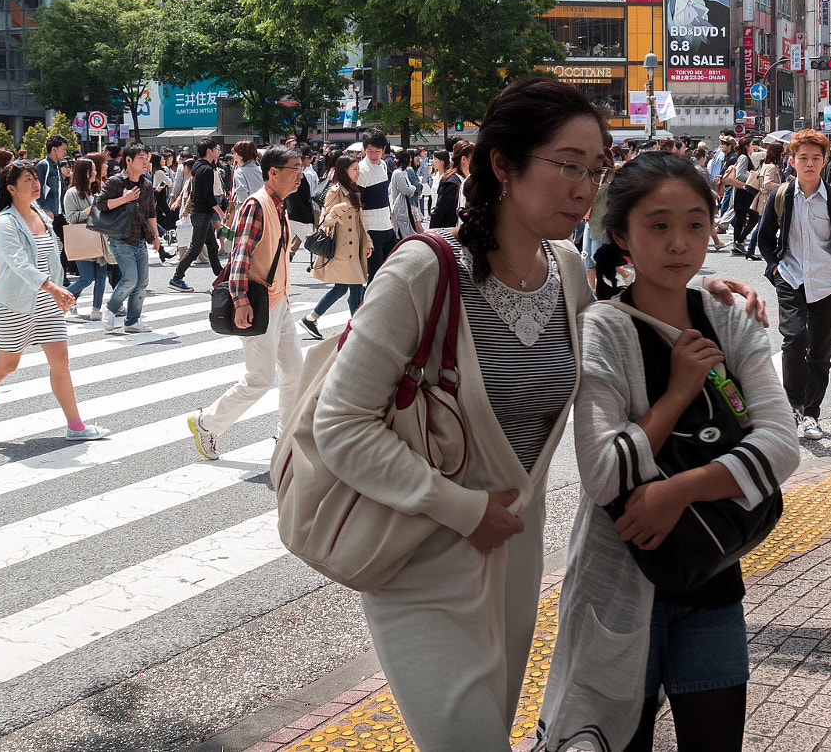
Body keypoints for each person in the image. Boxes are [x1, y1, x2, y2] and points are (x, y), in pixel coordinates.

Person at [310, 78, 767, 751]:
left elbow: (626, 324)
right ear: (504, 164)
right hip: (420, 559)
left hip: (515, 557)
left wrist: (696, 289)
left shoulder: (569, 270)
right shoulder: (425, 270)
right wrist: (463, 510)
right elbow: (340, 424)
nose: (585, 187)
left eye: (596, 168)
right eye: (566, 164)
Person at [539, 152, 798, 752]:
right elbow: (602, 474)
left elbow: (782, 445)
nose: (679, 243)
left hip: (711, 579)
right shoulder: (603, 326)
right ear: (622, 235)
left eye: (695, 223)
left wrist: (674, 491)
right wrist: (679, 392)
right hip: (616, 586)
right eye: (657, 225)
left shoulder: (729, 316)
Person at [0, 160, 109, 442]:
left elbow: (51, 258)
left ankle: (75, 426)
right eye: (27, 179)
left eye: (35, 178)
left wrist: (56, 288)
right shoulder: (5, 221)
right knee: (7, 365)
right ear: (11, 188)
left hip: (46, 301)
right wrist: (53, 287)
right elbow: (17, 263)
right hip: (17, 302)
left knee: (60, 361)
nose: (35, 183)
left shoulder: (39, 212)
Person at [187, 145, 308, 459]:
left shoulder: (279, 204)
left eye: (301, 167)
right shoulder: (258, 205)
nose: (301, 174)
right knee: (259, 379)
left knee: (296, 372)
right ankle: (207, 423)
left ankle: (286, 437)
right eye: (295, 168)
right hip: (260, 302)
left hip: (278, 302)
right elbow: (240, 257)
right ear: (274, 172)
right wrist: (241, 301)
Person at [756, 130, 831, 442]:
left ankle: (812, 413)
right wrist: (774, 268)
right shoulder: (782, 196)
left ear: (826, 162)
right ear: (793, 162)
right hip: (791, 278)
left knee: (820, 352)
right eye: (803, 158)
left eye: (816, 158)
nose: (810, 163)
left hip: (829, 283)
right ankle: (794, 405)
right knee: (794, 339)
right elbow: (764, 238)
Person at [298, 151, 370, 339]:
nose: (358, 172)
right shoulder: (335, 191)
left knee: (344, 287)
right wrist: (336, 211)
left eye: (358, 169)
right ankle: (356, 327)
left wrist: (367, 241)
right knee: (354, 286)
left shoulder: (353, 190)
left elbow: (359, 222)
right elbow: (324, 222)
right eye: (354, 169)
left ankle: (311, 318)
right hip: (341, 248)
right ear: (344, 170)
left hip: (352, 248)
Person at [94, 143, 162, 333]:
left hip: (140, 238)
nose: (146, 162)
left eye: (147, 159)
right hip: (120, 237)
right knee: (130, 279)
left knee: (142, 283)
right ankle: (110, 308)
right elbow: (100, 204)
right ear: (129, 160)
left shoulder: (147, 184)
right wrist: (125, 198)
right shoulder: (116, 182)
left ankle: (132, 321)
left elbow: (151, 212)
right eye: (141, 158)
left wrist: (155, 237)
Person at [169, 139, 224, 292]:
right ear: (208, 151)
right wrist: (220, 212)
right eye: (215, 148)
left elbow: (196, 192)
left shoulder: (198, 166)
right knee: (195, 247)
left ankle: (220, 275)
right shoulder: (206, 169)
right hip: (202, 213)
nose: (217, 151)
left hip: (199, 212)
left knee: (212, 245)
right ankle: (177, 278)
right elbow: (208, 195)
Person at [62, 157, 110, 320]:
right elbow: (71, 218)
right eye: (92, 170)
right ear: (85, 173)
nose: (96, 172)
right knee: (86, 278)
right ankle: (63, 297)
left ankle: (96, 309)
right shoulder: (72, 193)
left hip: (99, 237)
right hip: (83, 239)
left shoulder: (95, 190)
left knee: (102, 277)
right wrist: (88, 210)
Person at [357, 130, 399, 281]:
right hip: (371, 230)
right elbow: (357, 206)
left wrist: (390, 221)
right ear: (364, 150)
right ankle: (365, 303)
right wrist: (365, 236)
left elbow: (384, 197)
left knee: (392, 270)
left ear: (383, 149)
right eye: (369, 151)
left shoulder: (382, 165)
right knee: (376, 277)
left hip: (387, 227)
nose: (373, 155)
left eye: (377, 151)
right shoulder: (360, 170)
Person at [428, 149, 462, 228]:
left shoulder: (447, 178)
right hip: (434, 210)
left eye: (435, 159)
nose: (432, 161)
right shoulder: (434, 175)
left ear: (442, 161)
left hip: (442, 214)